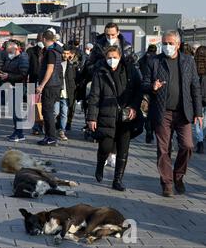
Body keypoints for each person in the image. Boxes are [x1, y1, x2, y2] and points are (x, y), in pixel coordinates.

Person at [142, 31, 203, 197]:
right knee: (163, 149)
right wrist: (151, 86)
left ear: (177, 44)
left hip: (183, 112)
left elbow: (195, 88)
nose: (167, 46)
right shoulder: (154, 61)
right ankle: (167, 183)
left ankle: (178, 176)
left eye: (170, 43)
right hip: (162, 112)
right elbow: (145, 83)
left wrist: (198, 112)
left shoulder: (188, 61)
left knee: (188, 146)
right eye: (164, 43)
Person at [87, 46, 142, 192]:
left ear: (120, 56)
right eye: (109, 57)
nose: (112, 60)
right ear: (105, 58)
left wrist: (134, 107)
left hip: (125, 116)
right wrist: (92, 117)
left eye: (115, 57)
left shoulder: (130, 70)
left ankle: (117, 179)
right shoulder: (100, 72)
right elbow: (94, 95)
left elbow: (138, 90)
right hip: (106, 115)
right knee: (105, 146)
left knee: (123, 149)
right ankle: (100, 164)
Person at [0, 41, 29, 142]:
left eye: (9, 51)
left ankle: (19, 132)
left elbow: (23, 74)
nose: (8, 53)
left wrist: (8, 76)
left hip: (18, 86)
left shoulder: (23, 58)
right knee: (15, 111)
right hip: (11, 86)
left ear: (15, 49)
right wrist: (0, 73)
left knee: (17, 112)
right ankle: (18, 133)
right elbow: (8, 69)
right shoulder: (12, 58)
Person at [36, 31, 63, 146]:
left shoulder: (51, 52)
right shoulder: (55, 51)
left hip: (50, 86)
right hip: (54, 85)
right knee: (47, 111)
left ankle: (51, 137)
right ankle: (49, 136)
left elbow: (50, 69)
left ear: (44, 38)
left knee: (47, 111)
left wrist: (41, 85)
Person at [55, 46, 78, 141]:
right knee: (55, 112)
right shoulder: (56, 64)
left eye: (67, 53)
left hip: (67, 93)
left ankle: (62, 131)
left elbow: (74, 79)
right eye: (64, 53)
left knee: (64, 113)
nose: (65, 55)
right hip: (56, 92)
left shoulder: (71, 65)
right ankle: (51, 129)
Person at [138, 44, 158, 144]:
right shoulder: (157, 60)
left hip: (145, 90)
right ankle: (151, 130)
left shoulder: (142, 60)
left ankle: (148, 131)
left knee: (146, 112)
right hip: (155, 91)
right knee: (154, 113)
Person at [27, 34, 45, 135]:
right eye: (39, 39)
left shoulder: (49, 51)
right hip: (33, 80)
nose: (41, 41)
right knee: (34, 105)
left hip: (44, 82)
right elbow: (27, 66)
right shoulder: (31, 51)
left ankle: (41, 125)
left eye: (42, 39)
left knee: (43, 105)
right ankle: (36, 126)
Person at [193, 46, 206, 154]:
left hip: (198, 97)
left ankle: (200, 141)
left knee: (198, 120)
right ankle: (203, 138)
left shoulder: (194, 67)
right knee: (205, 121)